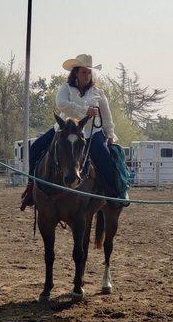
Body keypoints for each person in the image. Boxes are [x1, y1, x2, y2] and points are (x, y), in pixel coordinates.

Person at [20, 53, 127, 210]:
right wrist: (86, 111)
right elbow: (62, 104)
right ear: (75, 73)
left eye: (89, 72)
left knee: (106, 160)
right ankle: (31, 187)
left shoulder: (99, 92)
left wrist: (110, 134)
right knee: (35, 147)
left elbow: (107, 116)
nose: (87, 75)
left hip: (91, 133)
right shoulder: (65, 88)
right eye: (84, 72)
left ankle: (113, 196)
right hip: (63, 130)